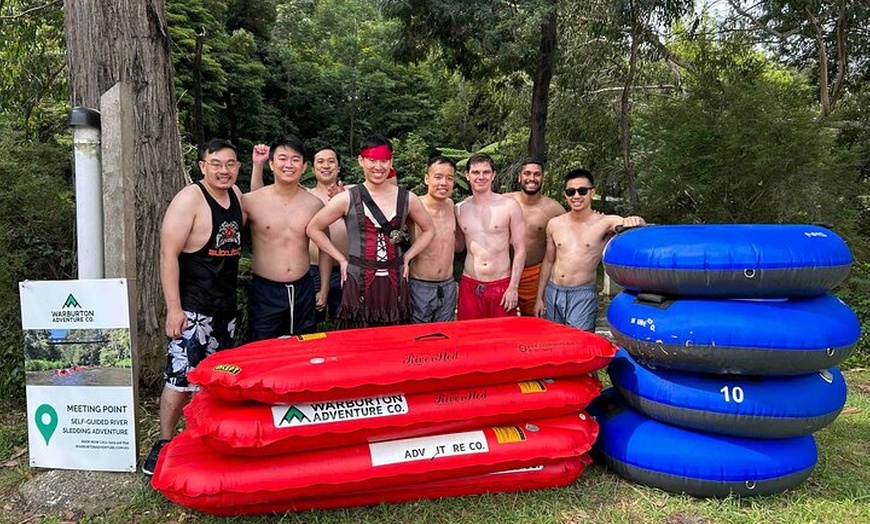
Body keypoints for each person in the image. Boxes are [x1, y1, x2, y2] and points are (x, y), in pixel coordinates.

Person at [144, 138, 244, 476]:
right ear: (203, 166)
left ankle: (202, 438)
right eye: (216, 163)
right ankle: (164, 442)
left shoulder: (237, 197)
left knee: (214, 380)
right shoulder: (189, 199)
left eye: (230, 164)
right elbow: (167, 253)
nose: (223, 170)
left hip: (225, 308)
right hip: (193, 308)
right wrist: (174, 308)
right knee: (179, 378)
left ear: (237, 168)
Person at [307, 134, 435, 329]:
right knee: (357, 338)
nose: (378, 167)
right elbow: (313, 228)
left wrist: (408, 257)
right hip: (358, 279)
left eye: (384, 161)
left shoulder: (408, 198)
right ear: (361, 160)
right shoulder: (347, 198)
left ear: (391, 161)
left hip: (395, 280)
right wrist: (341, 260)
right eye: (372, 160)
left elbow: (429, 230)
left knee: (393, 338)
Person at [534, 168, 645, 331]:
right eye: (571, 192)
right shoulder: (554, 224)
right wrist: (539, 297)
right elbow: (548, 261)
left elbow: (631, 224)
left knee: (580, 342)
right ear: (565, 195)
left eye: (582, 191)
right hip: (553, 291)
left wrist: (637, 220)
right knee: (553, 341)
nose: (576, 196)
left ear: (592, 193)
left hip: (582, 293)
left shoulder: (604, 222)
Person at [243, 135, 329, 340]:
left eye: (295, 159)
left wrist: (323, 289)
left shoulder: (314, 204)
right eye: (282, 158)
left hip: (303, 289)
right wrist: (256, 166)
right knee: (261, 349)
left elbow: (326, 248)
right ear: (271, 164)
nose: (288, 165)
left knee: (302, 350)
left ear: (305, 166)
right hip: (265, 290)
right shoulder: (250, 201)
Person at [455, 153, 526, 320]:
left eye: (486, 172)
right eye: (476, 172)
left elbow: (520, 248)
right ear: (467, 175)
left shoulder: (509, 206)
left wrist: (513, 287)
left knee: (503, 339)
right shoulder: (459, 209)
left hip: (501, 284)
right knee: (469, 338)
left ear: (493, 175)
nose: (481, 177)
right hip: (470, 284)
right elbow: (457, 246)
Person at [505, 157, 565, 316]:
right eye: (527, 173)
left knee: (534, 321)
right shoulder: (504, 201)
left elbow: (574, 226)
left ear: (542, 177)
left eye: (537, 174)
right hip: (503, 272)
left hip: (534, 274)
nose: (532, 178)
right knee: (501, 323)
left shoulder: (554, 209)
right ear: (519, 177)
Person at [408, 156, 460, 323]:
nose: (443, 183)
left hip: (448, 284)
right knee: (419, 336)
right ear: (426, 178)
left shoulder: (452, 205)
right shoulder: (413, 206)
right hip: (420, 284)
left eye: (449, 178)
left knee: (445, 336)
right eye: (438, 177)